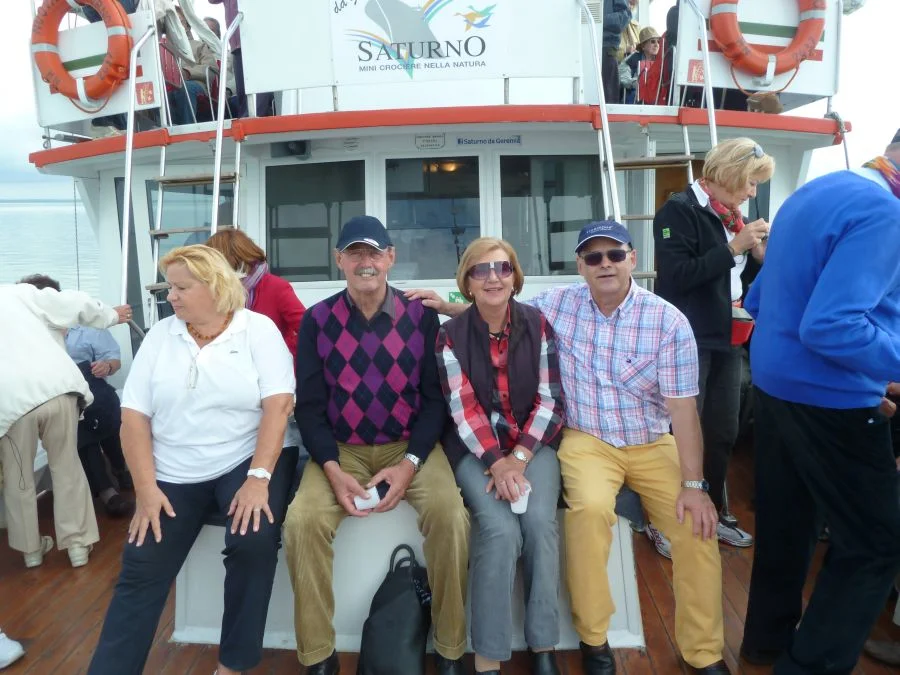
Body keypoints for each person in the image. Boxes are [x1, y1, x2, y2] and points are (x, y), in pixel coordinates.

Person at [409, 220, 730, 673]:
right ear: (580, 265)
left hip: (650, 441)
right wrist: (444, 306)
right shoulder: (557, 306)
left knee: (696, 527)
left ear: (633, 259)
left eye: (615, 255)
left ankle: (703, 653)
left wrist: (695, 485)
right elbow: (490, 325)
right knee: (586, 514)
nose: (605, 265)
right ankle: (592, 641)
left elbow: (683, 413)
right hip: (584, 441)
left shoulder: (667, 321)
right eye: (593, 257)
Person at [87, 246, 297, 675]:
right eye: (170, 288)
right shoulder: (163, 336)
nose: (172, 297)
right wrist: (145, 490)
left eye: (182, 288)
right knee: (141, 560)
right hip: (173, 466)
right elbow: (133, 417)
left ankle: (233, 664)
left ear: (215, 286)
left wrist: (258, 478)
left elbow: (278, 406)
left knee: (252, 540)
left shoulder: (257, 331)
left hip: (245, 455)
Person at [740, 135, 900, 673]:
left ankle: (765, 643)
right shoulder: (885, 212)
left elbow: (758, 298)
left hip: (773, 384)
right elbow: (831, 326)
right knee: (877, 543)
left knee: (788, 523)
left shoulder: (813, 192)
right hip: (831, 400)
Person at [283, 216, 470, 675]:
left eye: (374, 253)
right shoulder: (317, 320)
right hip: (340, 450)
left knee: (451, 516)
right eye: (355, 253)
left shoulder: (421, 316)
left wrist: (408, 464)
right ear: (339, 261)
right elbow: (308, 406)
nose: (365, 262)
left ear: (390, 258)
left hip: (409, 445)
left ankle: (450, 649)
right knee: (301, 523)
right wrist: (330, 467)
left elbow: (433, 401)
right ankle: (319, 657)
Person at [435, 238, 566, 675]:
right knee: (498, 529)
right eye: (481, 270)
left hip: (533, 445)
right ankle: (488, 656)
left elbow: (550, 399)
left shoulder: (538, 325)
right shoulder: (449, 336)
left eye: (503, 268)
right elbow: (463, 409)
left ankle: (543, 645)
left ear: (515, 278)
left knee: (539, 524)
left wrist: (521, 456)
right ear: (467, 283)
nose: (493, 277)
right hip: (477, 450)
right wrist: (498, 462)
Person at [653, 138, 774, 552]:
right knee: (682, 430)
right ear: (730, 173)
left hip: (728, 337)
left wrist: (756, 254)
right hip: (690, 338)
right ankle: (665, 518)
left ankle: (714, 511)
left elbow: (738, 280)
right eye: (751, 182)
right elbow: (676, 277)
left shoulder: (731, 217)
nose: (753, 192)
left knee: (722, 430)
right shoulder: (678, 211)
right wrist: (732, 249)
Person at [0, 281, 129, 569]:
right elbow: (72, 303)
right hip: (56, 388)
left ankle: (31, 551)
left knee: (18, 477)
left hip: (8, 403)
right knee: (67, 466)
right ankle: (78, 545)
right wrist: (110, 315)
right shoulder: (18, 292)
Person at [18, 274, 134, 517]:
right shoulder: (26, 334)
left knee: (109, 423)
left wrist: (106, 366)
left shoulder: (88, 324)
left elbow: (113, 359)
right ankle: (107, 493)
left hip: (95, 391)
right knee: (80, 435)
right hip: (61, 398)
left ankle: (120, 469)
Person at [206, 228, 308, 483]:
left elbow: (308, 330)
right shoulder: (215, 293)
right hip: (236, 379)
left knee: (287, 436)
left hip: (275, 381)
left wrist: (289, 357)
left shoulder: (275, 287)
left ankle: (289, 486)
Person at [619, 27, 662, 105]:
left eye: (658, 42)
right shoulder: (632, 59)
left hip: (655, 97)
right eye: (653, 41)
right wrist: (637, 83)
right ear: (643, 46)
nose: (656, 45)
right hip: (635, 98)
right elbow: (623, 78)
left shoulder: (661, 60)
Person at [602, 0, 633, 104]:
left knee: (609, 103)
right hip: (582, 49)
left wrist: (600, 19)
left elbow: (625, 16)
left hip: (607, 51)